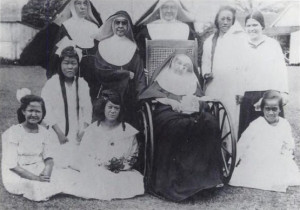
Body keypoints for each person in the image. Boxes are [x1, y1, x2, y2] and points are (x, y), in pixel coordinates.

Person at [139, 53, 223, 202]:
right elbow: (149, 96)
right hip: (167, 112)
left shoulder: (191, 81)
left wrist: (197, 102)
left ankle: (205, 180)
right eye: (179, 64)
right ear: (172, 63)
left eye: (185, 66)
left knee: (210, 123)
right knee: (178, 127)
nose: (181, 68)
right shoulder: (162, 79)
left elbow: (200, 97)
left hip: (192, 113)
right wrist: (169, 101)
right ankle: (176, 182)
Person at [68, 90, 144, 200]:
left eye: (116, 108)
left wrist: (118, 165)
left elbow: (133, 154)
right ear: (103, 108)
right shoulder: (93, 129)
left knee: (131, 181)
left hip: (118, 171)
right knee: (94, 178)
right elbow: (84, 152)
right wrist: (99, 164)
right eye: (110, 107)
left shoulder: (127, 130)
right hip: (96, 167)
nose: (113, 111)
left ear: (120, 110)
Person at [1, 92, 78, 201]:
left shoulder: (44, 132)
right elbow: (12, 165)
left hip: (38, 168)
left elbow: (49, 158)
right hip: (18, 173)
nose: (34, 114)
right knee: (36, 187)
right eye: (30, 110)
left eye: (37, 111)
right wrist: (36, 178)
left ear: (43, 114)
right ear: (23, 111)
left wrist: (46, 171)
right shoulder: (13, 132)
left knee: (67, 176)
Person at [229, 90, 300, 192]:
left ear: (280, 109)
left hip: (276, 157)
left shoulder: (284, 124)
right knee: (260, 175)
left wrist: (285, 155)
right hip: (258, 158)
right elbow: (243, 143)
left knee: (284, 172)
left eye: (274, 109)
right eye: (267, 109)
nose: (271, 113)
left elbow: (288, 143)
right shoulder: (257, 124)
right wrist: (232, 162)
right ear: (262, 109)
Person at [20, 0, 102, 82]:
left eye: (85, 4)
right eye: (78, 3)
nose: (82, 7)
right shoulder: (67, 26)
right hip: (73, 72)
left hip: (91, 73)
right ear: (72, 6)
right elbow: (57, 54)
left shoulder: (94, 27)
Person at [237, 11, 289, 138]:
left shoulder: (272, 45)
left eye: (255, 25)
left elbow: (280, 69)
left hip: (270, 96)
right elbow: (238, 71)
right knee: (249, 135)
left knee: (271, 134)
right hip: (248, 96)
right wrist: (239, 91)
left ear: (262, 26)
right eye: (248, 26)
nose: (251, 29)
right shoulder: (241, 46)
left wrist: (284, 92)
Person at [41, 46, 92, 167]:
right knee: (58, 165)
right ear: (60, 64)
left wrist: (83, 130)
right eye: (66, 63)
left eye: (73, 63)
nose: (70, 67)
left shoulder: (82, 84)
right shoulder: (52, 83)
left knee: (78, 165)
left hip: (77, 132)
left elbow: (88, 109)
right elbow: (46, 110)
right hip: (56, 132)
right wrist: (59, 133)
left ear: (78, 65)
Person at [93, 11, 147, 126]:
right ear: (113, 25)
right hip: (107, 92)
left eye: (124, 23)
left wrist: (141, 96)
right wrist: (125, 74)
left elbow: (139, 74)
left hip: (128, 95)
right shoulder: (103, 45)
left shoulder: (133, 48)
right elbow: (100, 71)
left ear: (128, 27)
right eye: (117, 22)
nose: (120, 26)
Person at [201, 5, 247, 139]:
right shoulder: (209, 41)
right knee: (213, 119)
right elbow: (205, 62)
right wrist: (205, 73)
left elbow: (244, 66)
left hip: (232, 88)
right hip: (213, 86)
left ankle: (230, 156)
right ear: (217, 20)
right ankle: (214, 155)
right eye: (222, 19)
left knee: (230, 121)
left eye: (228, 19)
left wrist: (241, 90)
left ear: (233, 21)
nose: (225, 22)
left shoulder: (240, 39)